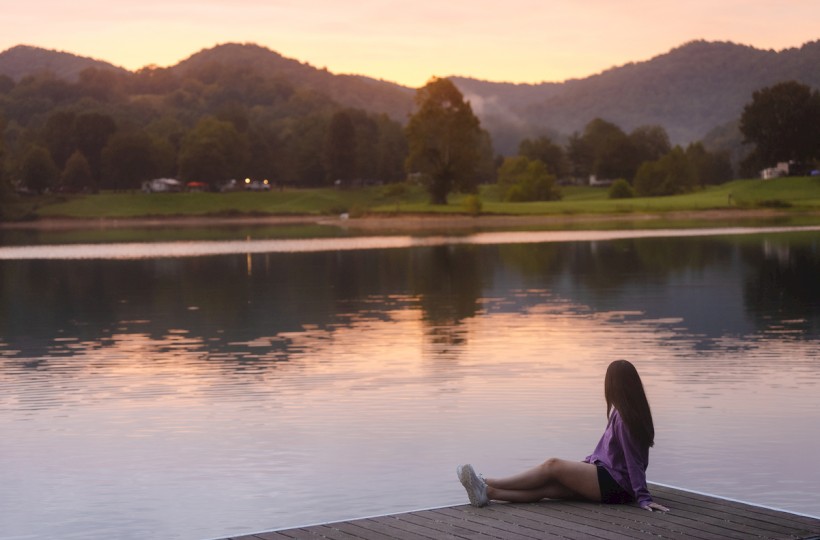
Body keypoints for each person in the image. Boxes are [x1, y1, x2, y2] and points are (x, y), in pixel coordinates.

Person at [457, 359, 669, 512]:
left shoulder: (625, 419)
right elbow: (610, 454)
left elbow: (633, 462)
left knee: (553, 465)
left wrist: (643, 498)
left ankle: (485, 480)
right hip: (611, 481)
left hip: (617, 486)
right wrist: (586, 464)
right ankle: (488, 493)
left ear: (613, 385)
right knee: (549, 488)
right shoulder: (625, 412)